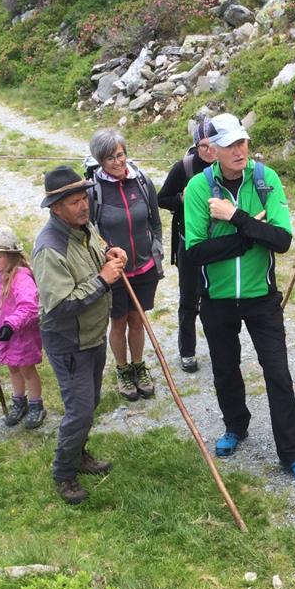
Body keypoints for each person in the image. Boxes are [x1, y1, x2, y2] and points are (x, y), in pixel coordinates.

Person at [181, 113, 295, 486]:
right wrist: (249, 234)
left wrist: (235, 216)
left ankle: (292, 453)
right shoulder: (198, 188)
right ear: (212, 150)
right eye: (229, 145)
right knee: (225, 369)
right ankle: (235, 426)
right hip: (217, 298)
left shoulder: (265, 179)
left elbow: (282, 240)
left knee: (278, 374)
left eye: (242, 142)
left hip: (261, 297)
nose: (239, 150)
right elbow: (196, 252)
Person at [32, 166, 127, 505]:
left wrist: (110, 255)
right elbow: (59, 306)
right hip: (68, 341)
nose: (84, 205)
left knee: (91, 403)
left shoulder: (84, 229)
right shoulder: (50, 248)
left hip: (92, 335)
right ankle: (64, 473)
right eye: (74, 202)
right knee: (80, 410)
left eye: (84, 198)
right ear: (56, 208)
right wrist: (103, 280)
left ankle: (78, 454)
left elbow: (94, 259)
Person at [88, 128, 163, 401]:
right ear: (100, 161)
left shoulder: (141, 181)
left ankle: (139, 367)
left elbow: (155, 220)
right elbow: (89, 231)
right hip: (114, 272)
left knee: (137, 319)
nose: (117, 162)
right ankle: (123, 370)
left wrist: (156, 248)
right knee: (118, 322)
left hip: (144, 267)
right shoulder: (94, 190)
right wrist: (106, 253)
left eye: (120, 155)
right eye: (110, 158)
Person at [157, 114, 217, 374]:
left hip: (219, 243)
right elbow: (162, 198)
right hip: (189, 242)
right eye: (204, 146)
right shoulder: (184, 167)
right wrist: (183, 199)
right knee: (189, 298)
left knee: (216, 298)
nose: (210, 151)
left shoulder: (225, 166)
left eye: (214, 145)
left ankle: (220, 347)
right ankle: (187, 351)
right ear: (196, 146)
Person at [0, 225, 46, 429]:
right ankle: (19, 402)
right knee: (13, 369)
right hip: (3, 335)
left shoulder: (21, 278)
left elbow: (29, 307)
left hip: (20, 336)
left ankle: (36, 405)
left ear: (11, 255)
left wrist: (11, 325)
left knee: (27, 370)